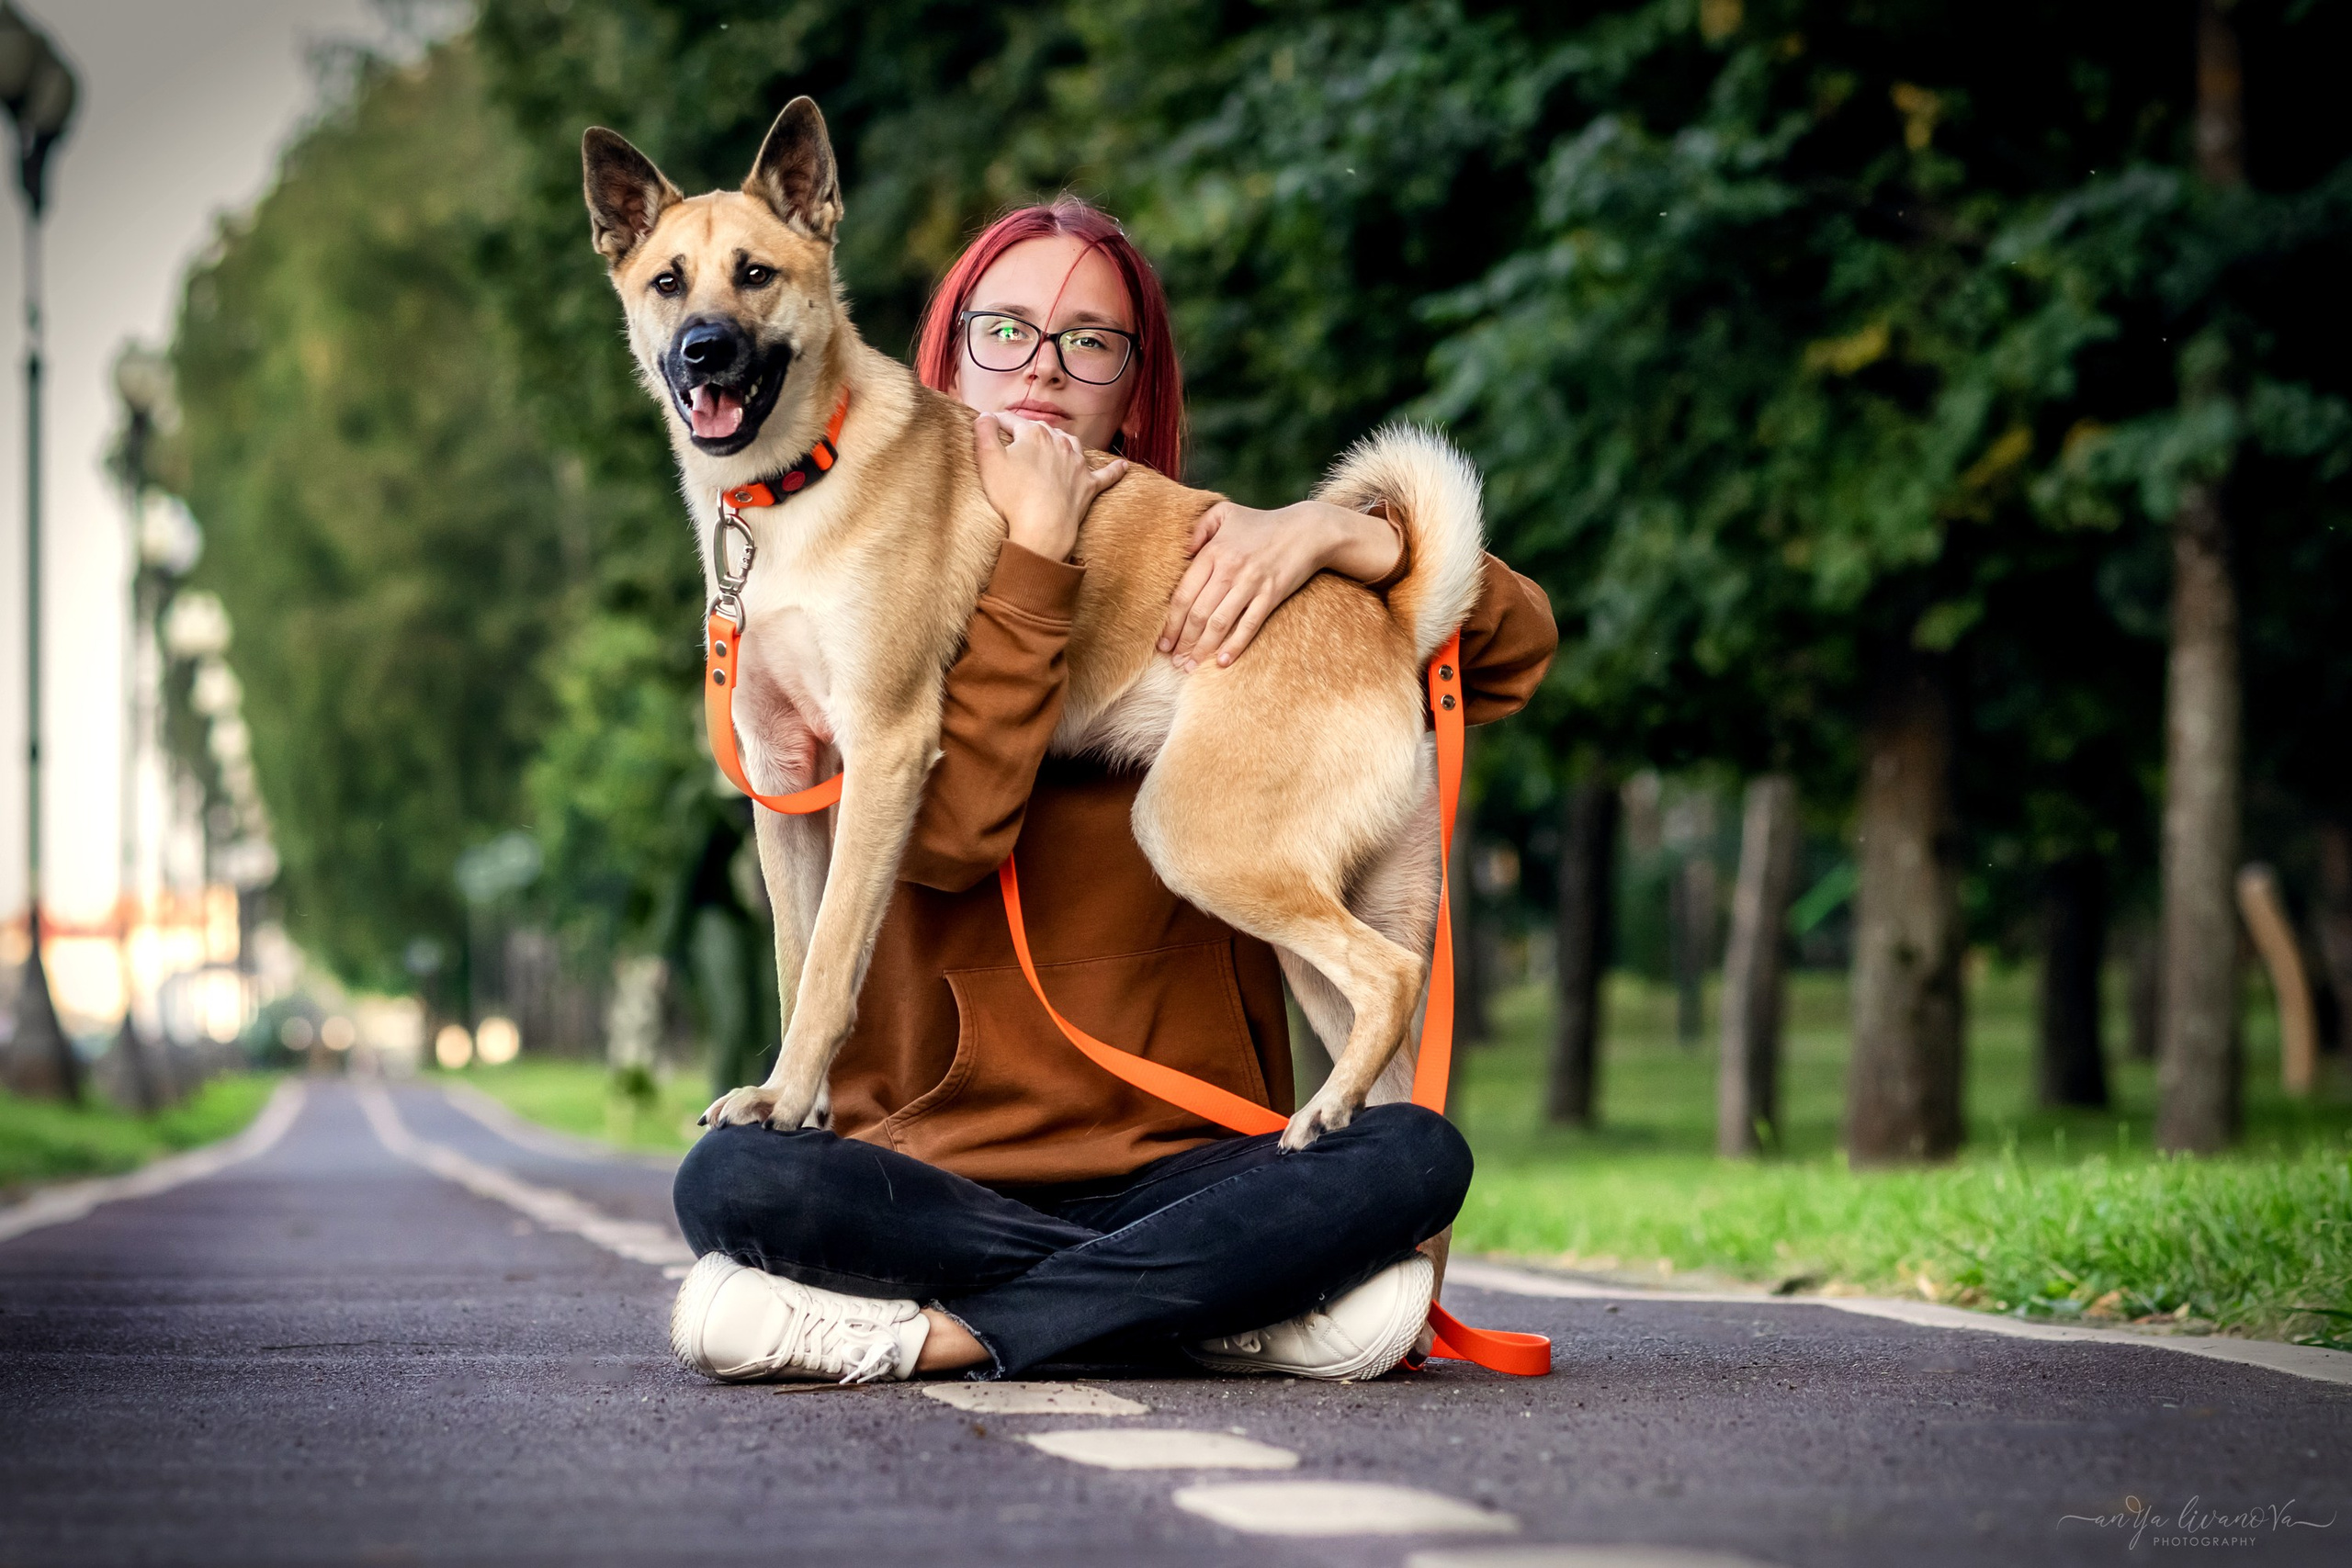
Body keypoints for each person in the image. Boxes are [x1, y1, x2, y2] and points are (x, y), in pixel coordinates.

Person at [668, 197, 1556, 1385]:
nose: (1041, 369)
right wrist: (1031, 556)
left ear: (1132, 394)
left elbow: (1512, 645)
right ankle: (1183, 1310)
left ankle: (957, 1332)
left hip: (1187, 1167)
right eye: (1006, 332)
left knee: (1412, 1162)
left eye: (1088, 342)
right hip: (941, 1175)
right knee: (732, 1180)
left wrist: (1348, 537)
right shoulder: (843, 587)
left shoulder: (1209, 566)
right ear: (943, 359)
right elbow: (947, 835)